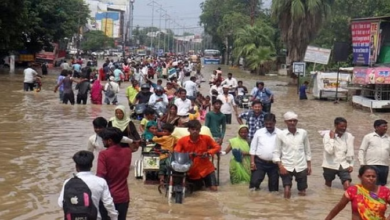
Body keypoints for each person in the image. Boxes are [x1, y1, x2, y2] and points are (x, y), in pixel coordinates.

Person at [58, 150, 118, 220]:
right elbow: (108, 204)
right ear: (91, 165)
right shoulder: (101, 182)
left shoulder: (67, 182)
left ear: (76, 166)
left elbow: (61, 204)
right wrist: (114, 217)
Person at [325, 165, 390, 220]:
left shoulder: (384, 191)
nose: (371, 178)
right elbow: (338, 207)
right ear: (360, 177)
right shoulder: (353, 190)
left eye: (373, 176)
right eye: (368, 176)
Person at [273, 111, 312, 199]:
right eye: (290, 121)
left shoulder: (303, 133)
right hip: (286, 165)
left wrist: (309, 165)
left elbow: (307, 149)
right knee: (287, 189)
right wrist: (280, 166)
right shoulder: (280, 135)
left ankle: (301, 209)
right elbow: (276, 152)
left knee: (302, 190)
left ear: (297, 122)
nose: (292, 123)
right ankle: (287, 209)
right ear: (285, 122)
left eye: (294, 121)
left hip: (301, 165)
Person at [175, 120, 221, 191]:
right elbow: (176, 152)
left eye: (197, 129)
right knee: (191, 190)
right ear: (188, 130)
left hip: (206, 169)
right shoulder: (182, 140)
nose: (195, 131)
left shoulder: (206, 138)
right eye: (193, 129)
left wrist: (208, 152)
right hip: (190, 169)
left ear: (199, 130)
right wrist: (187, 155)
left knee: (214, 189)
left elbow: (217, 147)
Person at [97, 128, 131, 220]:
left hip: (107, 197)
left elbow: (100, 177)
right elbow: (134, 143)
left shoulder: (103, 154)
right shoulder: (128, 151)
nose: (102, 141)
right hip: (123, 197)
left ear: (109, 141)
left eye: (103, 139)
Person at [249, 113, 281, 191]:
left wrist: (282, 165)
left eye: (270, 124)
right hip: (260, 162)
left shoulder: (280, 133)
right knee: (254, 183)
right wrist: (252, 162)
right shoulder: (259, 132)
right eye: (266, 124)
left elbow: (284, 150)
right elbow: (253, 148)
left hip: (274, 164)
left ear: (275, 122)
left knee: (274, 189)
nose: (268, 125)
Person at [322, 117, 355, 190]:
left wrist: (351, 164)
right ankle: (327, 198)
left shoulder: (348, 136)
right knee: (328, 184)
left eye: (345, 127)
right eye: (342, 126)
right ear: (336, 126)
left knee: (347, 184)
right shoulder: (327, 135)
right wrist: (332, 139)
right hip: (330, 164)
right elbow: (329, 151)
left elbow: (350, 151)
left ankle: (347, 199)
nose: (344, 128)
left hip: (343, 164)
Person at [358, 119, 390, 186]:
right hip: (371, 165)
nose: (386, 128)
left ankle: (379, 197)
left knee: (382, 186)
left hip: (384, 166)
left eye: (386, 126)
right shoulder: (368, 137)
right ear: (376, 127)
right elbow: (362, 150)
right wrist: (362, 163)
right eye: (384, 126)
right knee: (371, 184)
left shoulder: (388, 138)